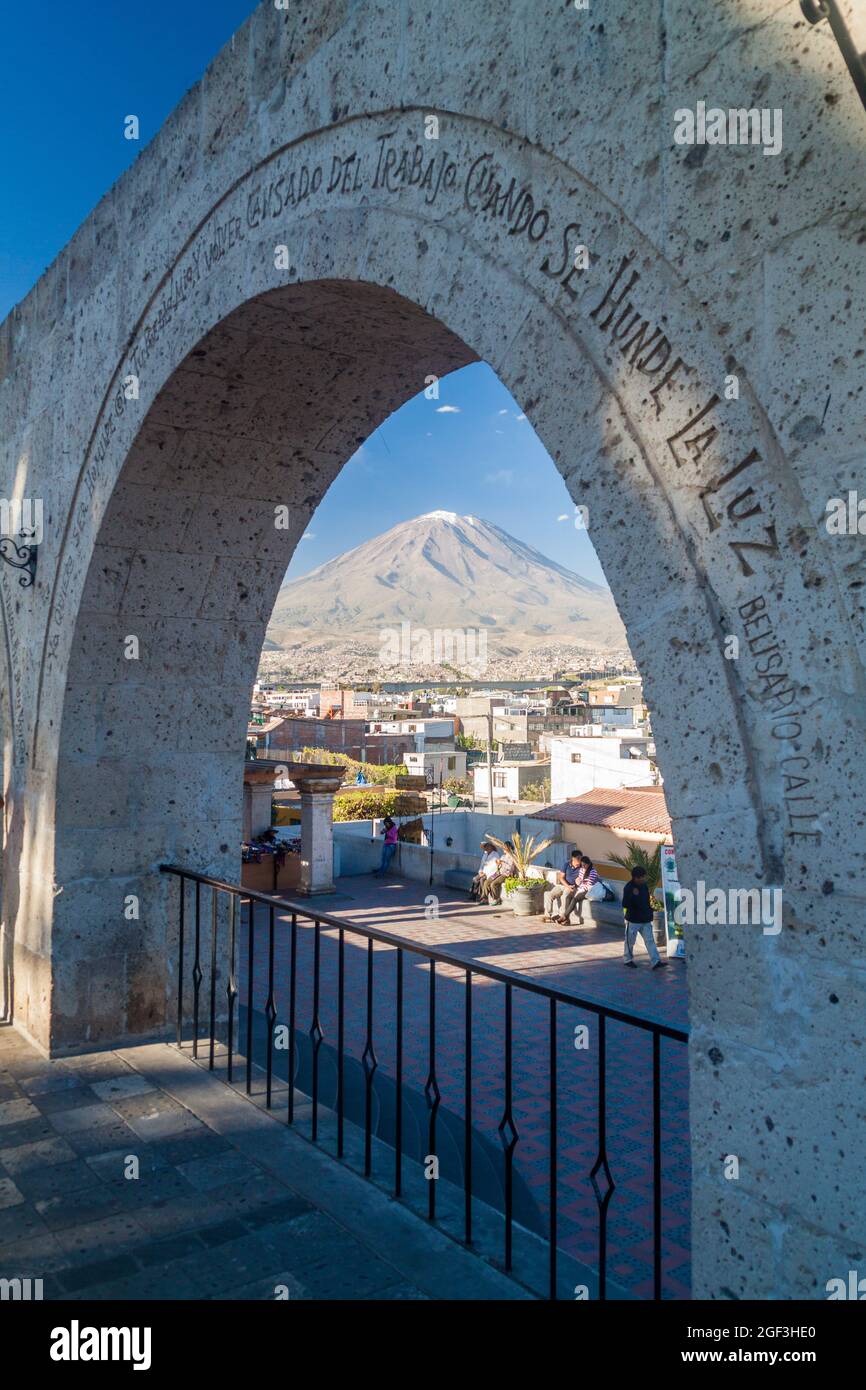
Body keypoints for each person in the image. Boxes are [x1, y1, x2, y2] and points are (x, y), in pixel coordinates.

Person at [622, 865, 666, 968]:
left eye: (643, 877)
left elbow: (646, 901)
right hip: (633, 920)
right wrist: (633, 898)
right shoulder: (628, 887)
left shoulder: (644, 886)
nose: (642, 879)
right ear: (635, 877)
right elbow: (625, 904)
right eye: (640, 877)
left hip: (645, 919)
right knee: (630, 941)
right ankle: (627, 960)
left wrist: (650, 911)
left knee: (650, 941)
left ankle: (656, 961)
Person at [543, 849, 584, 922]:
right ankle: (547, 916)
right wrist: (567, 885)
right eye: (578, 858)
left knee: (565, 896)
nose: (580, 860)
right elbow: (561, 877)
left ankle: (563, 917)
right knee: (549, 894)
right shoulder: (566, 865)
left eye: (581, 858)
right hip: (563, 885)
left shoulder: (582, 868)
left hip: (572, 887)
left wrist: (578, 882)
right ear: (573, 858)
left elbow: (584, 879)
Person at [557, 855, 598, 924]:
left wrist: (579, 891)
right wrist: (577, 881)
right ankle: (567, 919)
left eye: (584, 865)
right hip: (580, 887)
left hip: (588, 890)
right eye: (582, 865)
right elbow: (580, 879)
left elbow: (589, 884)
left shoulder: (593, 872)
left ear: (588, 864)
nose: (583, 867)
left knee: (575, 899)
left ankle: (564, 916)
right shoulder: (582, 869)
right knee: (568, 897)